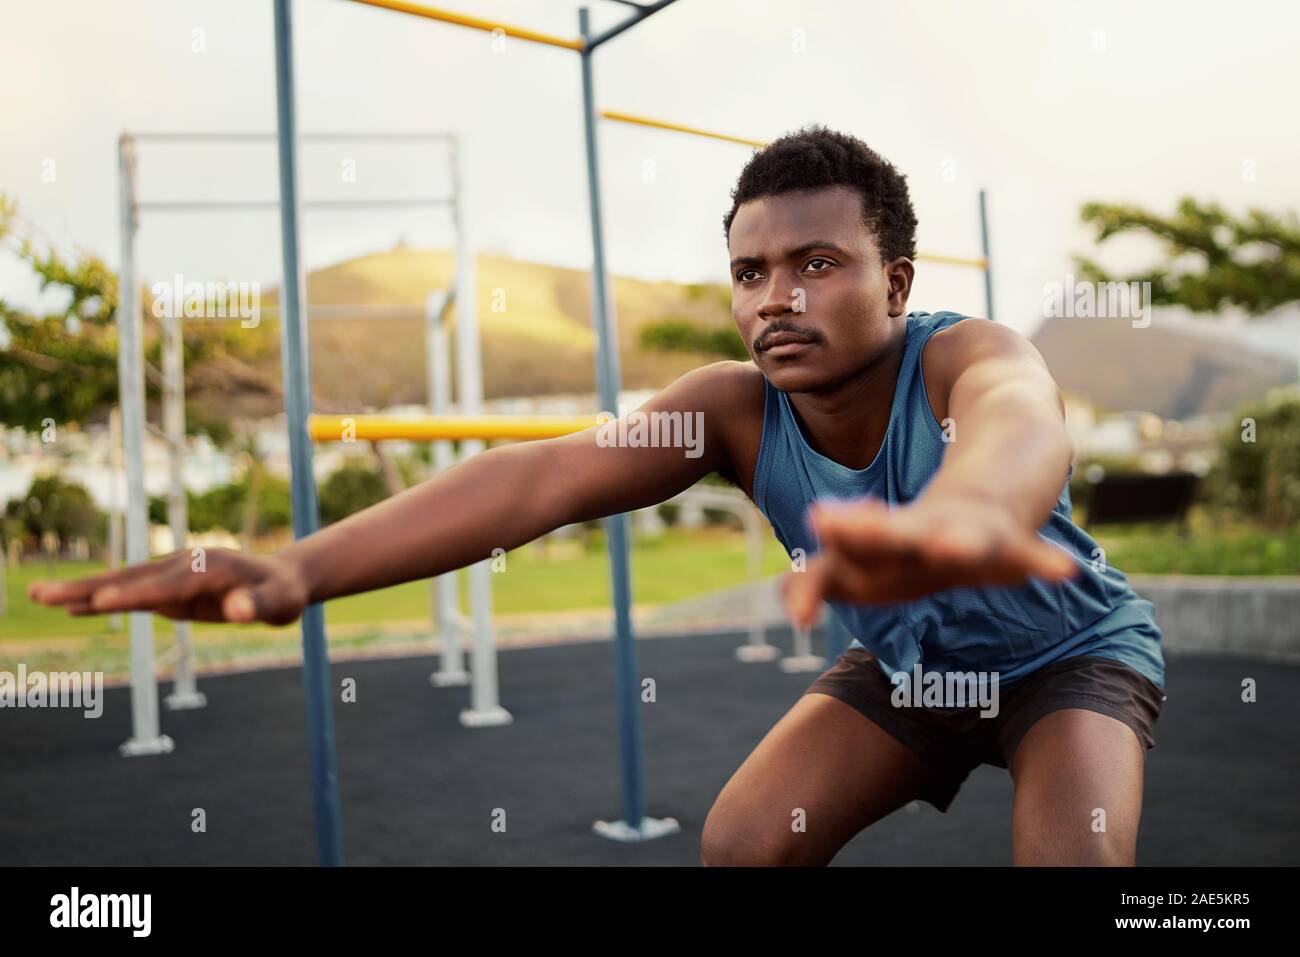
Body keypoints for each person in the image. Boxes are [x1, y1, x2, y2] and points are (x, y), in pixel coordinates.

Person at [30, 126, 1165, 867]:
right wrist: (296, 571)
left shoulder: (963, 356)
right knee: (742, 843)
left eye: (817, 264)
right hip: (909, 665)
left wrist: (956, 525)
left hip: (1065, 658)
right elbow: (540, 476)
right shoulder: (731, 410)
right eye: (749, 272)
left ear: (896, 282)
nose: (776, 297)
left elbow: (1019, 426)